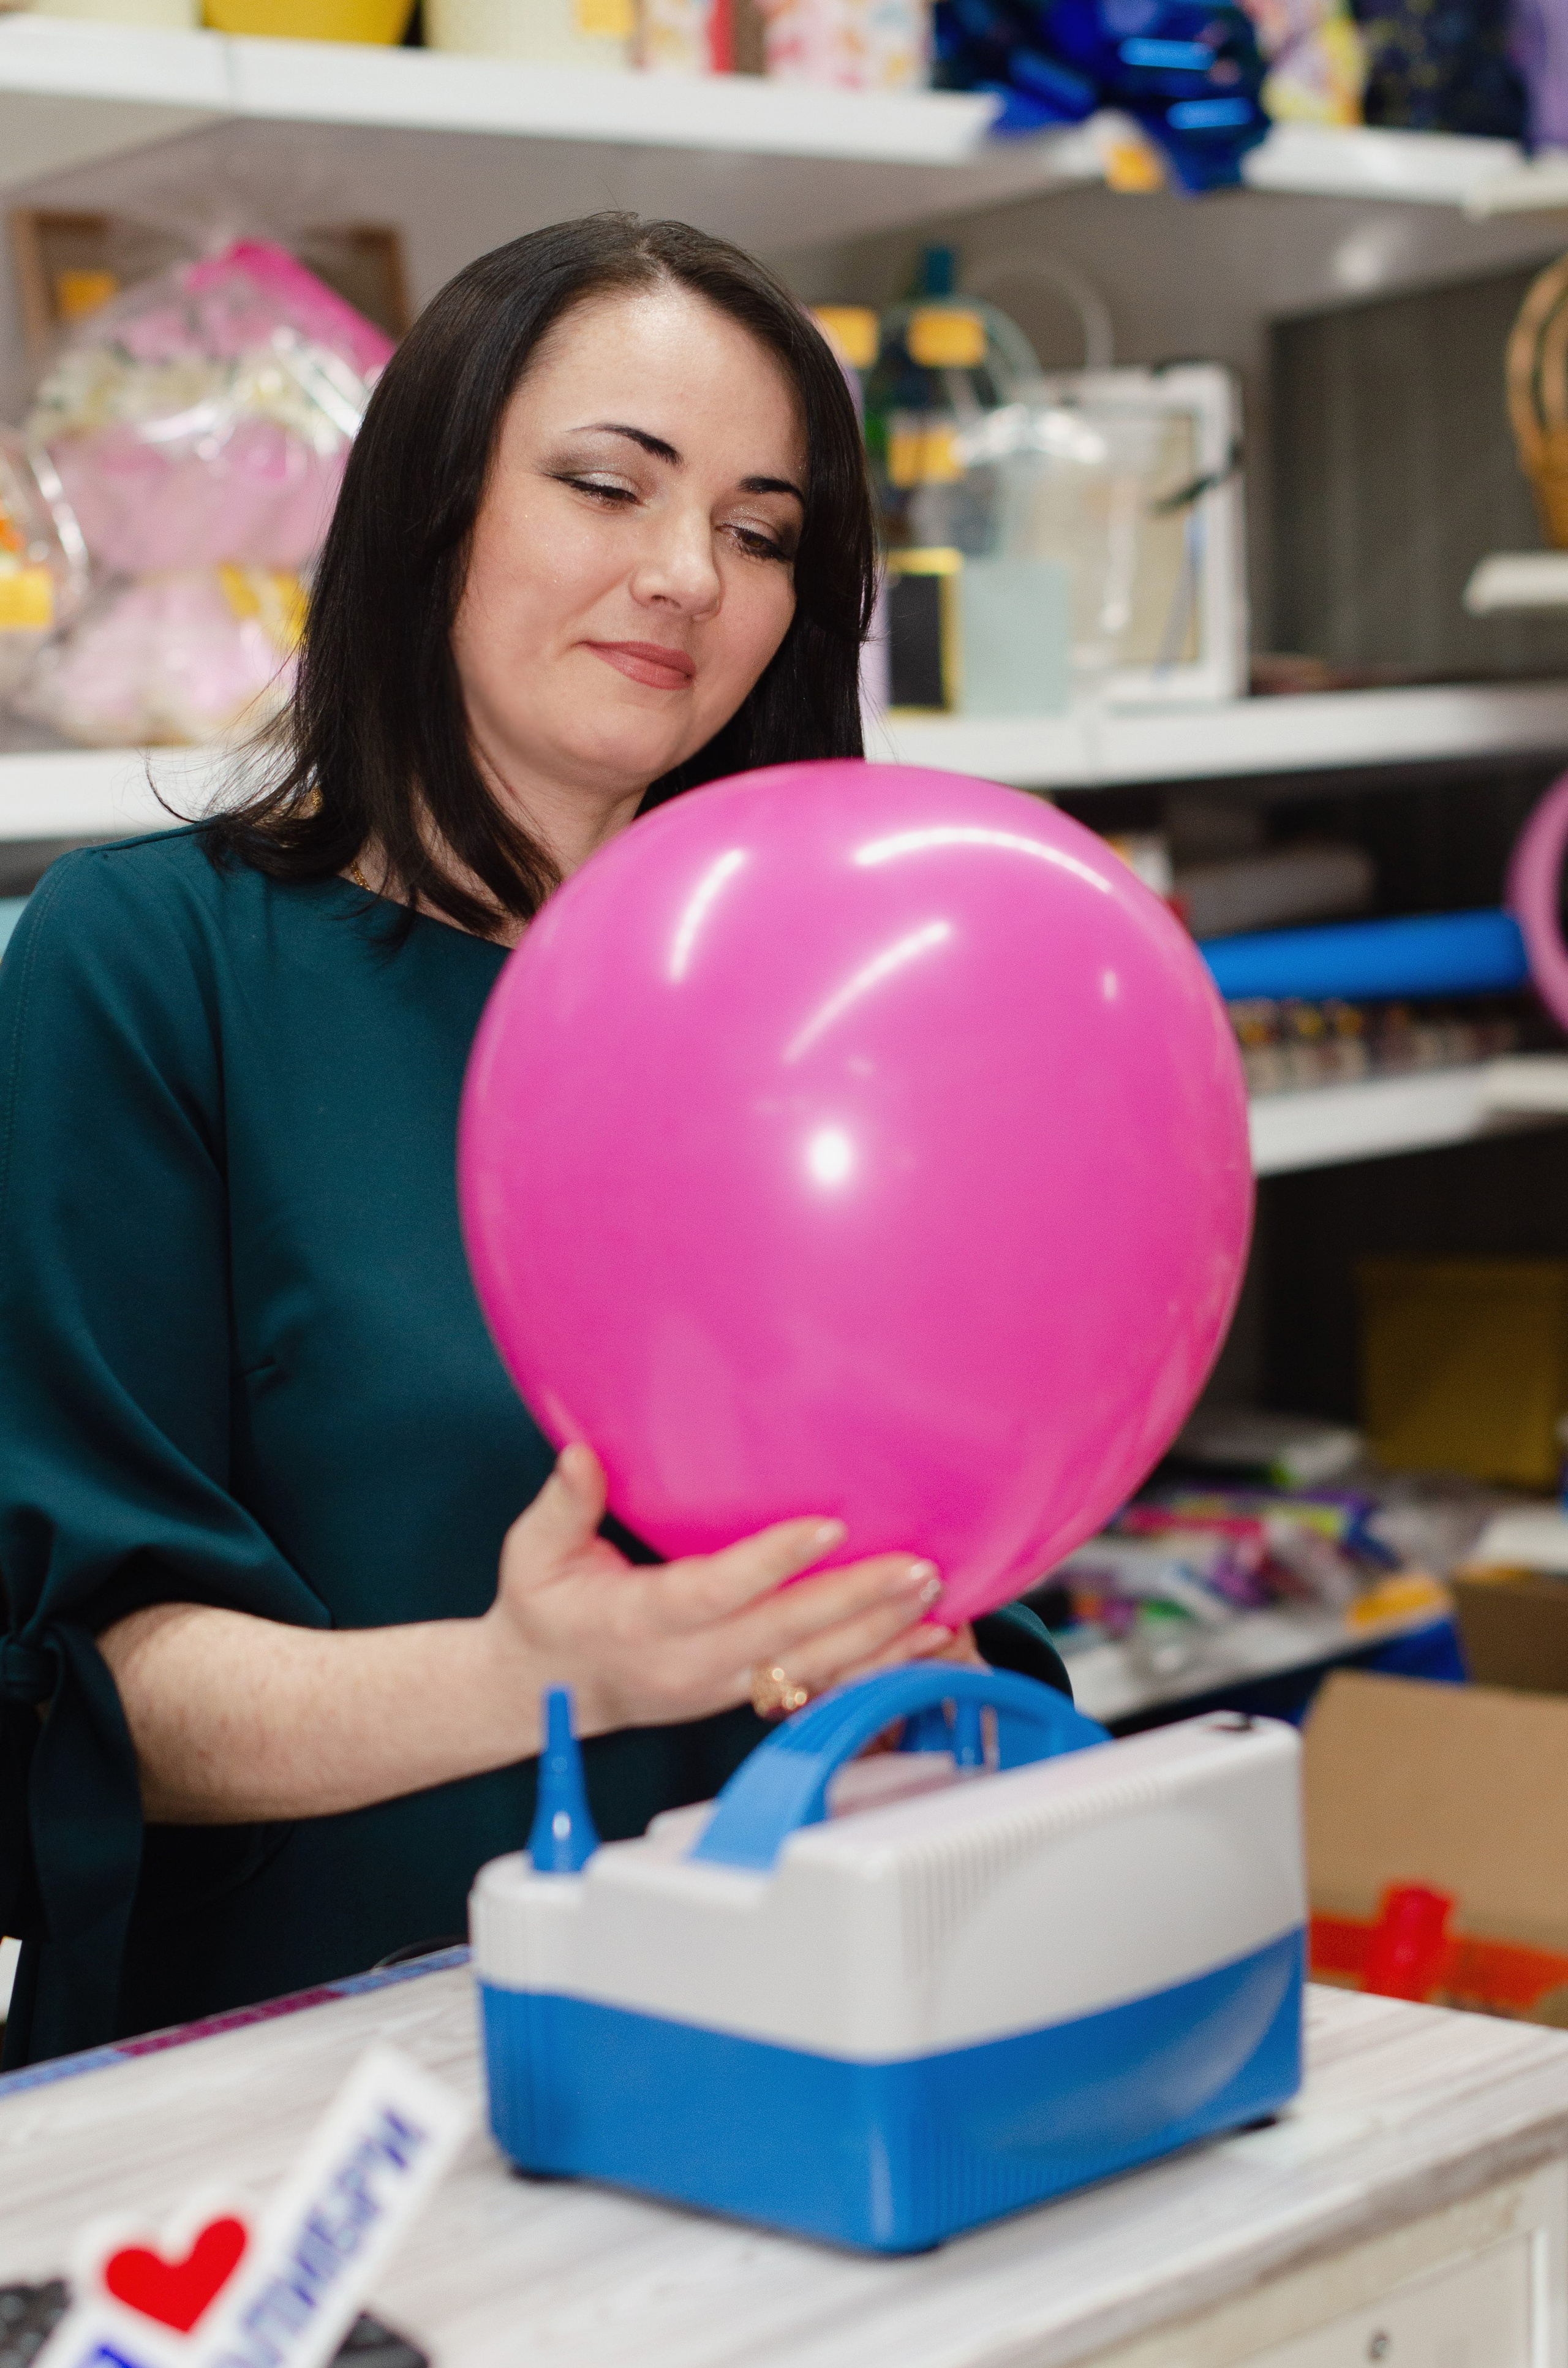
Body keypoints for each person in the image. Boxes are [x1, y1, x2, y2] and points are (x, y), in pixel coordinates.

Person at [0, 215, 1068, 2070]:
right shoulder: (153, 966)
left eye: (758, 531)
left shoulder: (821, 1009)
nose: (683, 576)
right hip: (304, 2096)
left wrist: (927, 1673)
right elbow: (99, 1695)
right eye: (606, 485)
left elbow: (950, 1553)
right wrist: (533, 1677)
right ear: (431, 510)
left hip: (780, 2037)